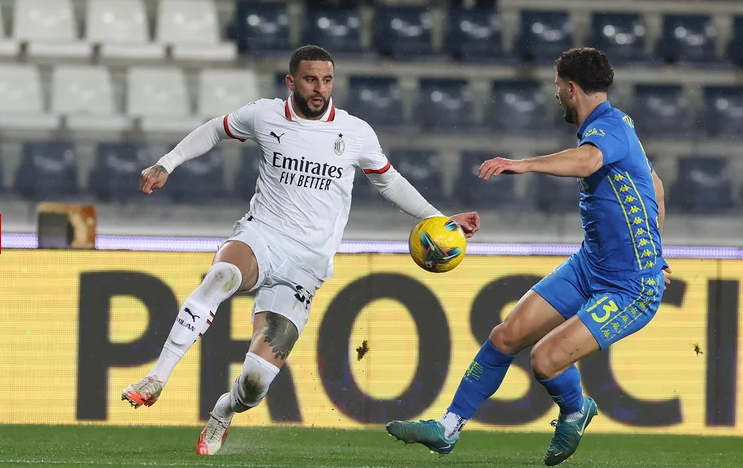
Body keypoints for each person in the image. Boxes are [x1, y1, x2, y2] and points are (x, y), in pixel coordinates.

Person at [121, 45, 481, 455]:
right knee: (221, 275)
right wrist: (167, 162)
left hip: (306, 266)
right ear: (291, 82)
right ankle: (156, 378)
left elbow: (390, 182)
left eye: (327, 80)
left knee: (255, 384)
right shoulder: (264, 114)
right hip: (263, 235)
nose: (320, 89)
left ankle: (224, 410)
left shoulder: (355, 132)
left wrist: (441, 220)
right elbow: (215, 129)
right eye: (311, 80)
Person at [386, 47, 671, 466]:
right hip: (589, 265)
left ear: (571, 88)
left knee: (545, 360)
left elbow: (589, 162)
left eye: (558, 87)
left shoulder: (607, 130)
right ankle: (448, 428)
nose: (557, 95)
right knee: (506, 335)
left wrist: (523, 164)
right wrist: (659, 251)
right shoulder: (615, 127)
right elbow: (656, 187)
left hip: (632, 287)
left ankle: (576, 410)